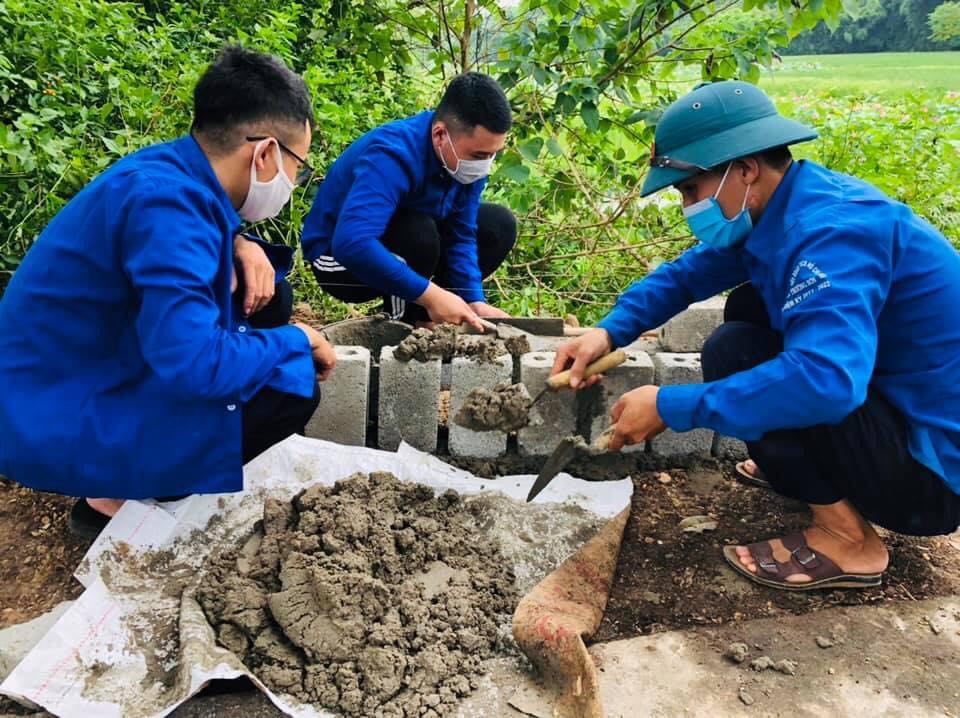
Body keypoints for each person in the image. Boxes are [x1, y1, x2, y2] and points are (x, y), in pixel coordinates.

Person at [554, 80, 960, 591]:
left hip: (932, 477)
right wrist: (608, 332)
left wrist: (672, 406)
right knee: (750, 308)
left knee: (736, 352)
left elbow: (828, 381)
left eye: (690, 190)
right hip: (898, 412)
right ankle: (815, 465)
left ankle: (849, 540)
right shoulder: (784, 206)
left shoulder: (830, 234)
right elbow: (686, 276)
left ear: (745, 170)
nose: (687, 205)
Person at [0, 47, 337, 539]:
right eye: (296, 167)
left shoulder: (170, 174)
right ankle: (117, 495)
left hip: (63, 372)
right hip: (52, 413)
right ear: (265, 153)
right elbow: (197, 364)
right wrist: (299, 339)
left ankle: (127, 473)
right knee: (290, 384)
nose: (292, 182)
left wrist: (240, 243)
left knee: (272, 299)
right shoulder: (168, 207)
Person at [302, 72, 517, 330]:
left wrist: (473, 299)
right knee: (418, 232)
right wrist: (431, 294)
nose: (485, 164)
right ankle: (403, 328)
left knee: (497, 224)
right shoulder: (392, 154)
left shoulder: (466, 163)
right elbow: (351, 244)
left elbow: (461, 234)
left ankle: (431, 315)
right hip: (338, 260)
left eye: (493, 154)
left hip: (406, 245)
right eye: (480, 155)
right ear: (440, 135)